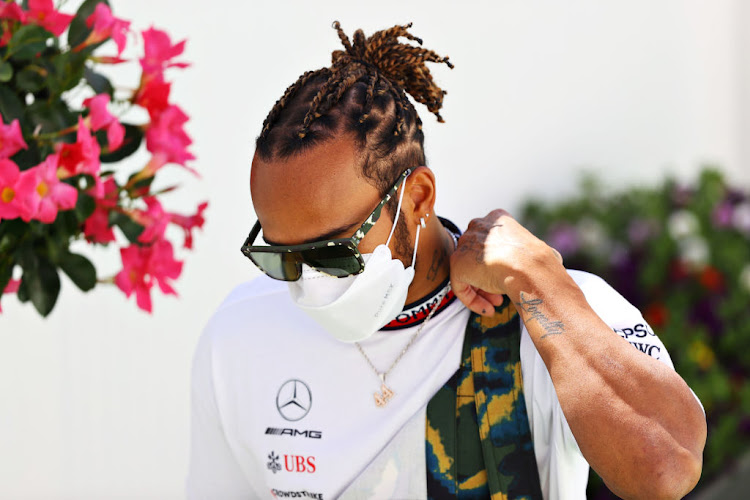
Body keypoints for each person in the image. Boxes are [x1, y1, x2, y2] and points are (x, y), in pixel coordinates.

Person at [187, 22, 706, 500]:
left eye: (333, 253)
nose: (307, 287)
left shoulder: (549, 311)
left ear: (416, 198)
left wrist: (536, 277)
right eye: (281, 259)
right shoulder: (240, 333)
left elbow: (665, 469)